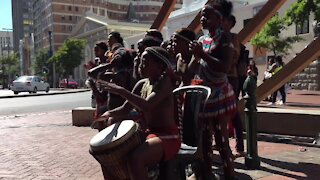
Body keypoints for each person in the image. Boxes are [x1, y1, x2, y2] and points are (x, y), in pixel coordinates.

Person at [94, 47, 180, 180]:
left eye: (145, 62)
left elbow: (147, 105)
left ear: (160, 66)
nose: (140, 65)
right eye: (140, 61)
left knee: (136, 158)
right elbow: (124, 109)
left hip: (168, 136)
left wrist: (122, 91)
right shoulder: (141, 84)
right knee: (107, 153)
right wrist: (106, 114)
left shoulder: (165, 83)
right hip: (148, 134)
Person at [189, 1, 237, 179]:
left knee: (221, 140)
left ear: (218, 18)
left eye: (207, 16)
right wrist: (195, 57)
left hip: (219, 95)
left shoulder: (225, 38)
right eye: (202, 15)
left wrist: (202, 55)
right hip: (204, 96)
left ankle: (230, 175)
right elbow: (195, 67)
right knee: (205, 141)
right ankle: (207, 175)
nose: (202, 19)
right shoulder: (202, 40)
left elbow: (224, 67)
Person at [222, 14, 245, 158]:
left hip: (230, 77)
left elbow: (232, 58)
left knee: (233, 111)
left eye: (223, 20)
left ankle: (239, 147)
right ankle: (221, 142)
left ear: (230, 23)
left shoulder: (233, 37)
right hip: (219, 78)